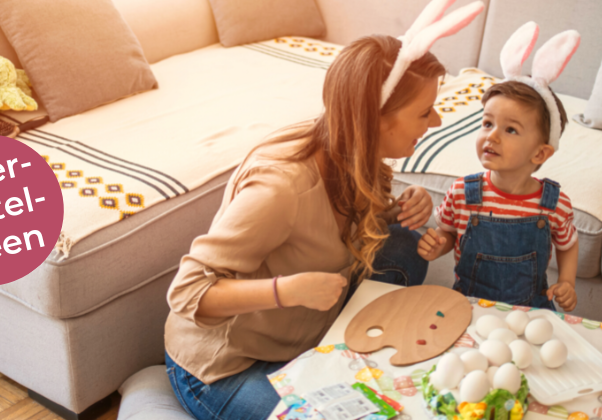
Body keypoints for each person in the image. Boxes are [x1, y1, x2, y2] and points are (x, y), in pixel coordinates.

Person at [163, 34, 452, 420]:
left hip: (305, 336)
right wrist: (288, 291)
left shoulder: (352, 154)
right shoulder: (281, 188)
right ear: (376, 118)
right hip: (227, 368)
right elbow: (187, 291)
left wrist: (404, 206)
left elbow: (340, 228)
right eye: (425, 112)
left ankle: (339, 369)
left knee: (402, 244)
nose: (436, 121)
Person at [416, 26, 584, 312]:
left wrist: (567, 281)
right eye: (487, 123)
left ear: (540, 152)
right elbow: (447, 234)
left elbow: (568, 245)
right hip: (468, 305)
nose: (491, 136)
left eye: (510, 130)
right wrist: (437, 246)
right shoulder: (461, 192)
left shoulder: (554, 204)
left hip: (531, 311)